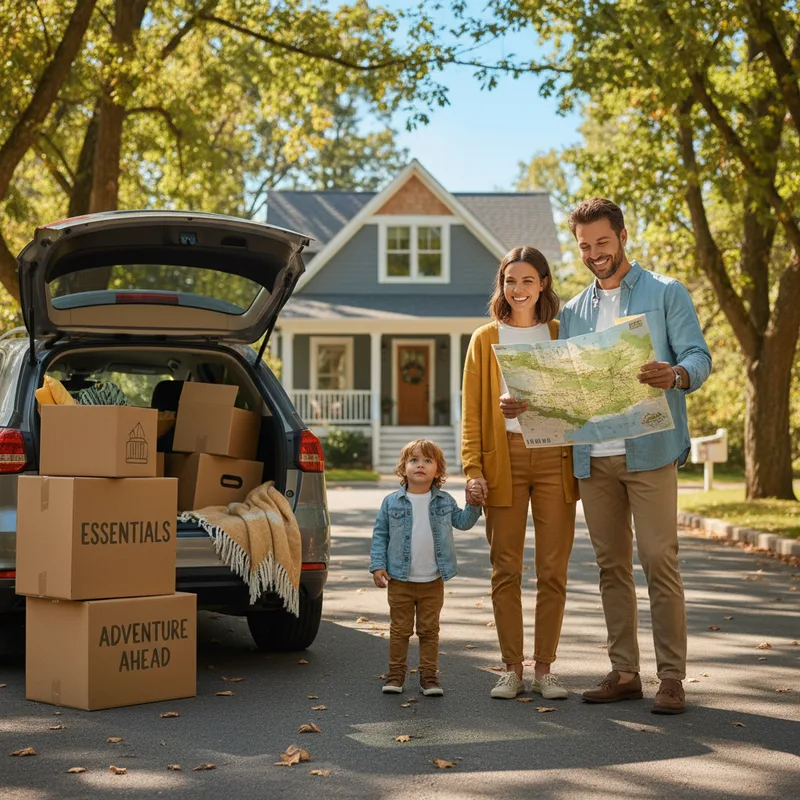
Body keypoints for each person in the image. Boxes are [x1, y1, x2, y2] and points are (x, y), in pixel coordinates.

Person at [559, 197, 712, 715]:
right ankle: (624, 672)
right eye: (585, 246)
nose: (595, 253)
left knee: (658, 559)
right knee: (611, 567)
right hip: (593, 456)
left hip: (650, 449)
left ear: (622, 236)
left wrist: (675, 374)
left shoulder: (666, 292)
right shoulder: (572, 311)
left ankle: (672, 677)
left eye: (602, 242)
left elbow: (698, 355)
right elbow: (565, 382)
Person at [462, 247, 579, 701]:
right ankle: (511, 669)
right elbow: (471, 413)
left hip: (554, 457)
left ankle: (545, 670)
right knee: (505, 568)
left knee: (553, 569)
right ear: (502, 284)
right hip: (503, 460)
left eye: (528, 280)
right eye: (511, 280)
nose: (519, 289)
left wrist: (542, 403)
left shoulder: (560, 333)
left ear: (544, 283)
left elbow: (579, 399)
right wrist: (473, 469)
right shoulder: (484, 338)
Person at [370, 439, 481, 696]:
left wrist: (474, 503)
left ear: (438, 470)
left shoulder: (444, 501)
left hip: (432, 580)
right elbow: (380, 536)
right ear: (403, 467)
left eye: (428, 461)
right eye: (414, 460)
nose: (420, 465)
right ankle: (396, 675)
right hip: (400, 580)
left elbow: (463, 523)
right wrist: (378, 566)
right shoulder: (391, 502)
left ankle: (429, 677)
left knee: (429, 630)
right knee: (399, 630)